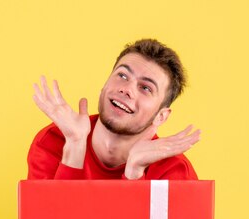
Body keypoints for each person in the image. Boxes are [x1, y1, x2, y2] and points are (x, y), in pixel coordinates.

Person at [27, 39, 200, 180]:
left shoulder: (174, 171)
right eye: (123, 76)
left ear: (161, 117)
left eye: (146, 88)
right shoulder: (54, 141)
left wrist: (134, 174)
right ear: (105, 84)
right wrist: (75, 145)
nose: (127, 89)